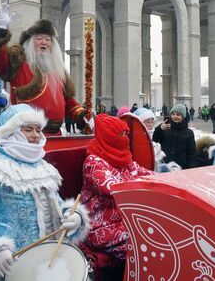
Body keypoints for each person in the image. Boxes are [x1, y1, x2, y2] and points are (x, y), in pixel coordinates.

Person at [0, 104, 89, 280]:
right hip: (11, 266)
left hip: (45, 264)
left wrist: (73, 217)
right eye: (28, 130)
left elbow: (55, 205)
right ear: (12, 132)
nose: (36, 135)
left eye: (38, 129)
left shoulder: (44, 167)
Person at [0, 3, 85, 135]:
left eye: (48, 39)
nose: (44, 42)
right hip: (27, 135)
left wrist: (82, 114)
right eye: (39, 38)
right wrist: (0, 32)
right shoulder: (19, 62)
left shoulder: (59, 72)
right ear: (30, 42)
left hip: (55, 134)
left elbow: (68, 102)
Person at [80, 114, 153, 277]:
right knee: (140, 243)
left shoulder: (124, 158)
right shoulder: (93, 162)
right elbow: (113, 188)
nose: (124, 139)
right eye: (120, 135)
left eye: (126, 134)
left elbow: (144, 173)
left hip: (126, 218)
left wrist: (166, 179)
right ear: (109, 137)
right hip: (100, 225)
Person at [133, 107, 180, 173]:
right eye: (148, 122)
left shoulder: (151, 133)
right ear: (141, 123)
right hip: (146, 168)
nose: (151, 125)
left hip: (155, 165)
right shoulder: (138, 137)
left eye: (152, 122)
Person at [152, 104, 196, 169]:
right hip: (165, 165)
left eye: (178, 115)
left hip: (182, 166)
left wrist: (191, 168)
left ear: (183, 117)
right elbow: (155, 140)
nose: (175, 116)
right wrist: (159, 129)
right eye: (173, 114)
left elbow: (191, 153)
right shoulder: (165, 128)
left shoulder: (189, 133)